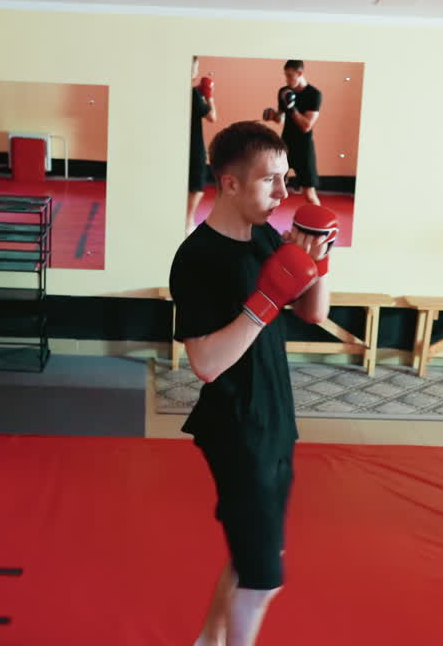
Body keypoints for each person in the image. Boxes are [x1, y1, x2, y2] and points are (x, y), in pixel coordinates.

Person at [169, 120, 336, 646]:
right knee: (263, 579)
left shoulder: (266, 236)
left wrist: (317, 260)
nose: (284, 193)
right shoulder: (196, 258)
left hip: (277, 417)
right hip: (238, 426)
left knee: (251, 557)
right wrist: (263, 304)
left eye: (288, 179)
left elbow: (312, 313)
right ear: (232, 183)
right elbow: (206, 363)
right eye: (271, 181)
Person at [262, 60, 322, 207]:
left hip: (304, 148)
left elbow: (306, 126)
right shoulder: (284, 91)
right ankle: (260, 226)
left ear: (300, 73)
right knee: (271, 188)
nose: (287, 80)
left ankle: (320, 228)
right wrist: (272, 115)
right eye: (286, 76)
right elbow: (281, 119)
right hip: (285, 145)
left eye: (290, 76)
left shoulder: (314, 94)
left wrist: (292, 107)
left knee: (309, 194)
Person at [188, 57, 218, 234]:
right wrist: (209, 95)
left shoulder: (184, 92)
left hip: (179, 141)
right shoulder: (192, 94)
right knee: (197, 185)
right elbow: (212, 117)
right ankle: (187, 222)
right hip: (193, 143)